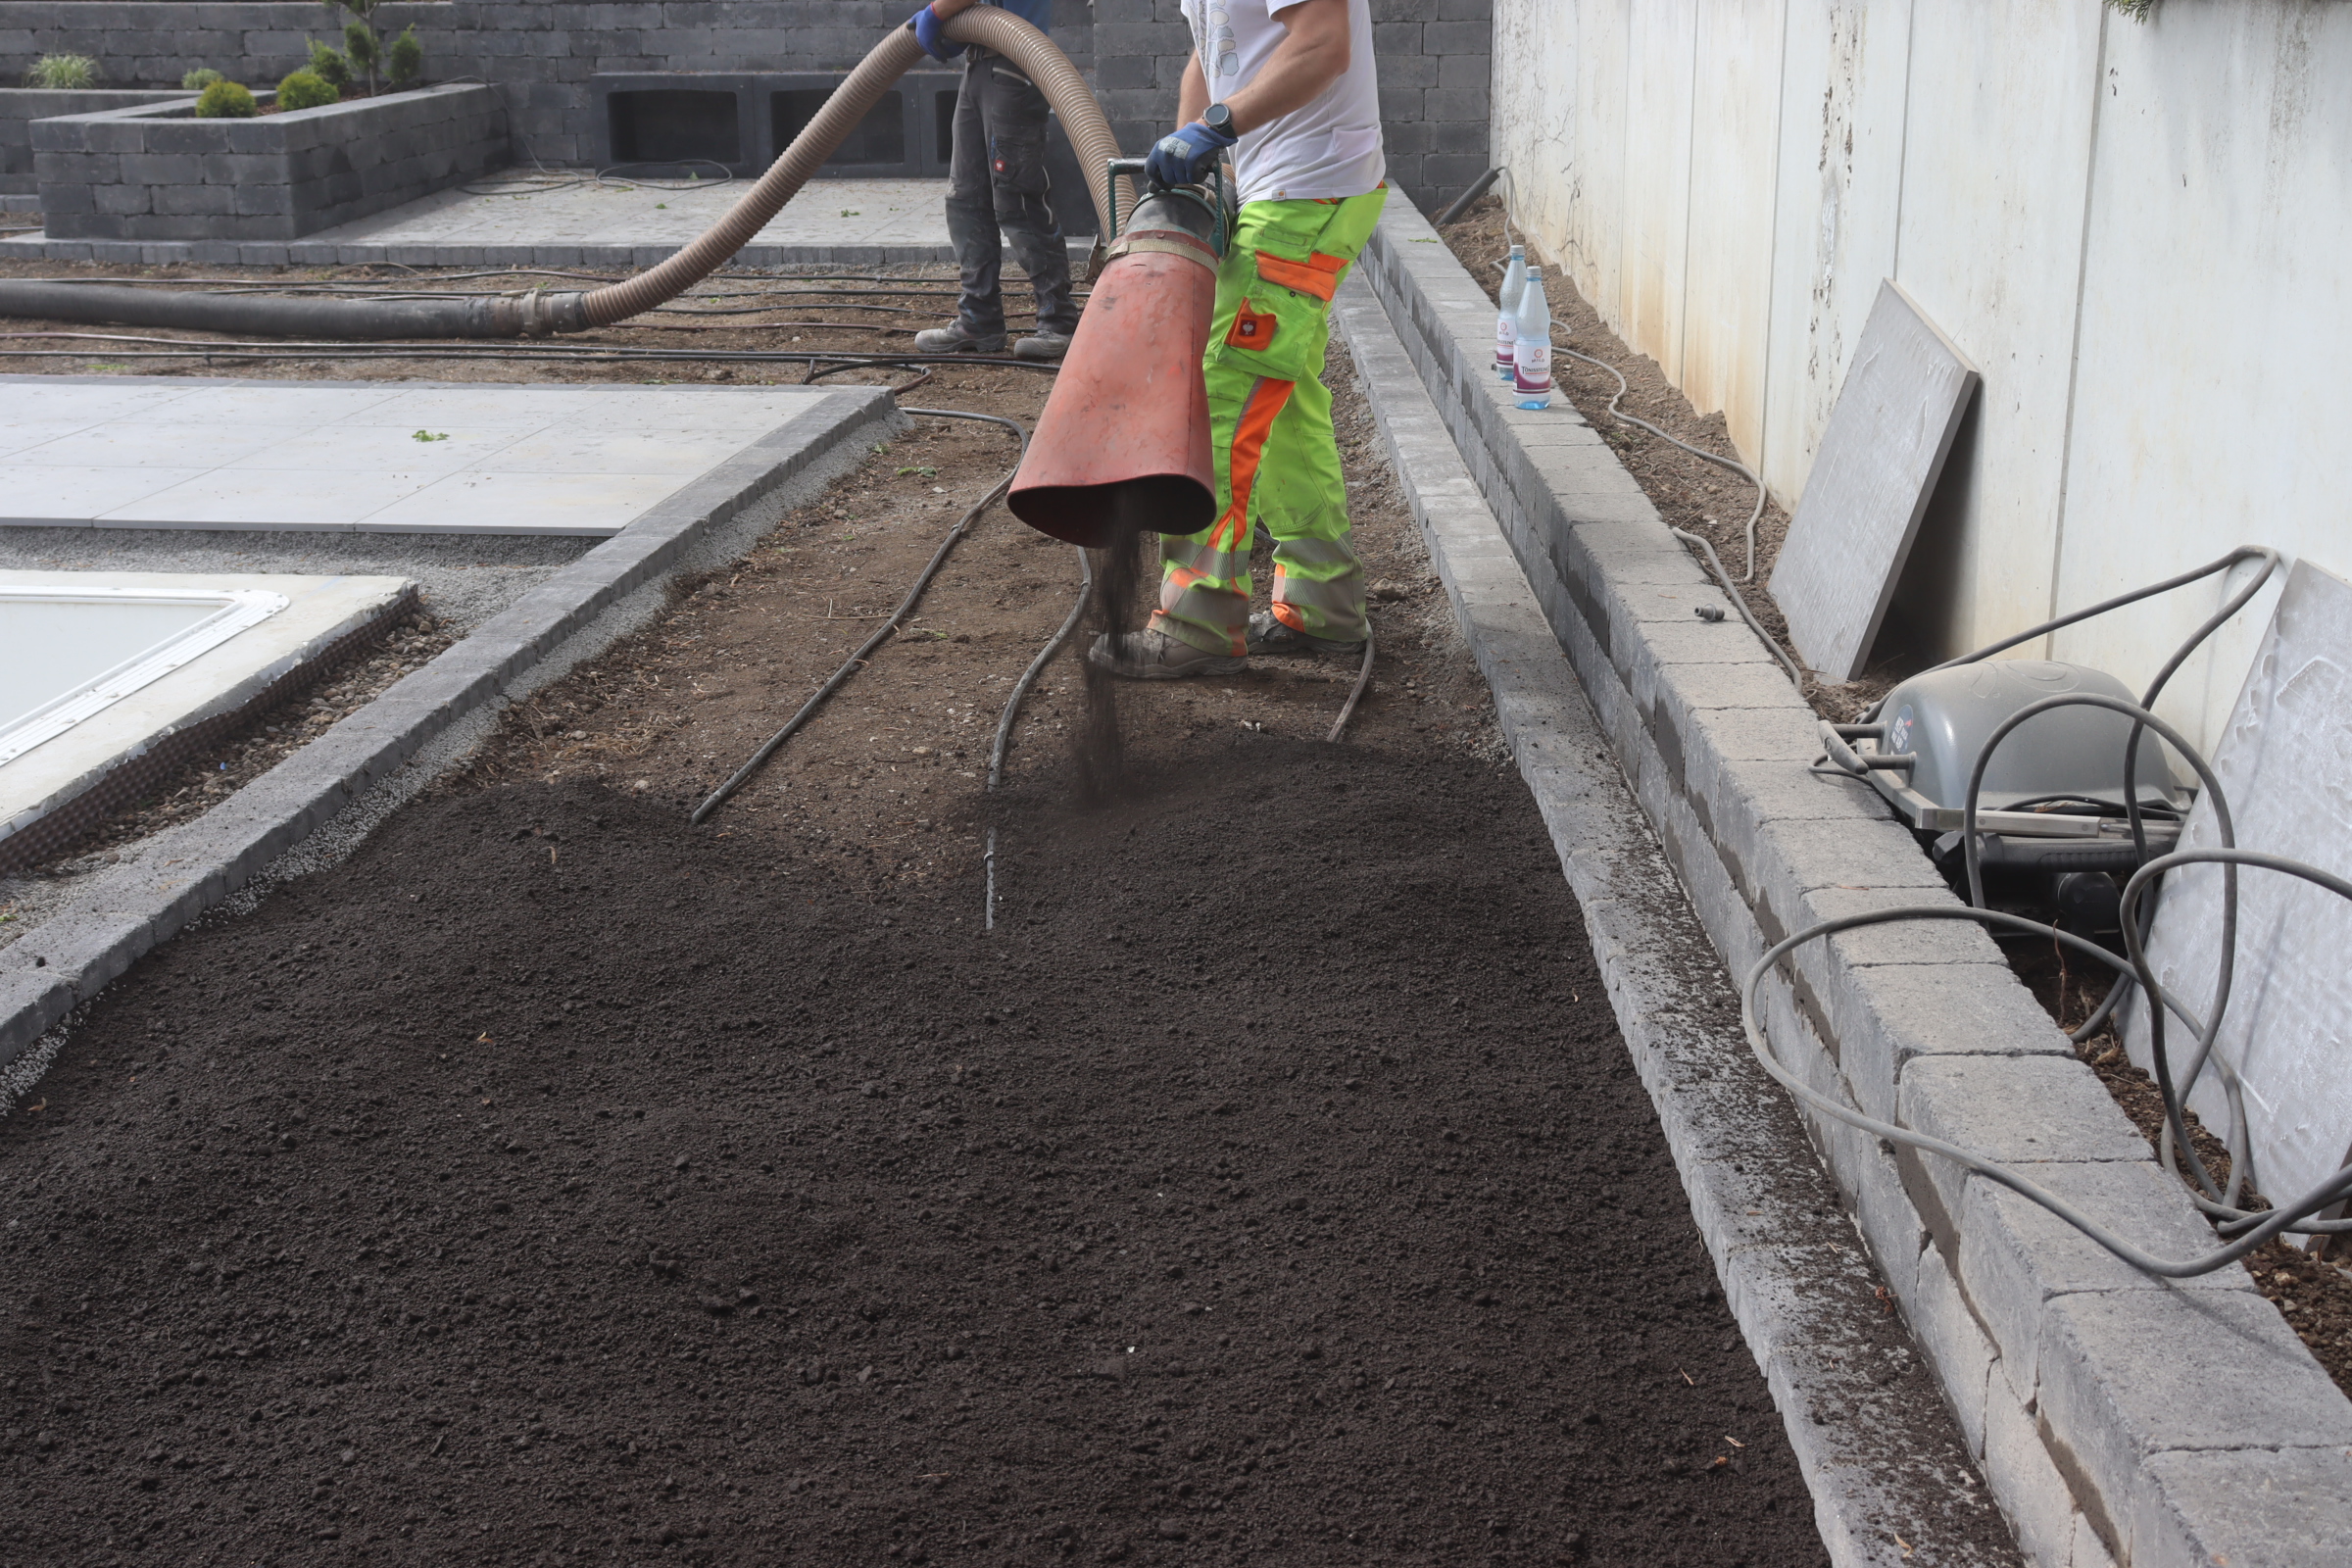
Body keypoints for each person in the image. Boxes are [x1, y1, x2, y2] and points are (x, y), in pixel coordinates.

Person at [1089, 0, 1386, 679]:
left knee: (1218, 394)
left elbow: (1324, 44)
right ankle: (1323, 601)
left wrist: (1216, 129)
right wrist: (1197, 150)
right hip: (1281, 186)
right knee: (1280, 397)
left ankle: (1197, 621)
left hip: (1307, 187)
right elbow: (1212, 48)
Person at [905, 0, 1082, 362]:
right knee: (965, 197)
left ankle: (1059, 321)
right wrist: (947, 26)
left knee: (1017, 199)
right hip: (978, 65)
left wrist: (937, 13)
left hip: (1013, 64)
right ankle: (978, 319)